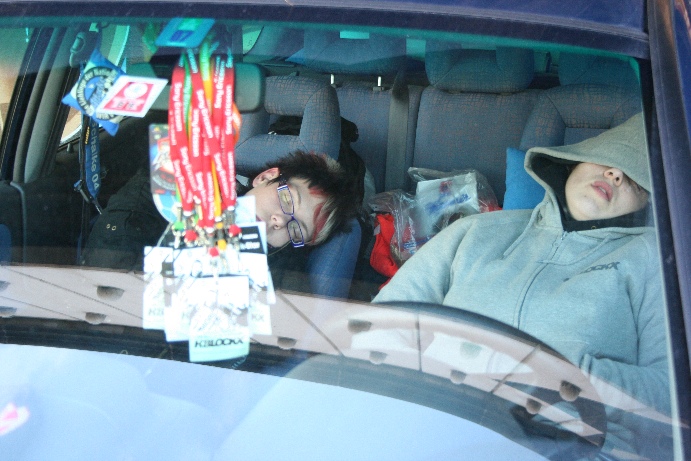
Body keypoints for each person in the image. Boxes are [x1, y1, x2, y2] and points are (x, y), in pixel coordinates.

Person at [373, 113, 670, 455]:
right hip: (436, 424)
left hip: (572, 447)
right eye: (606, 159)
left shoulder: (655, 262)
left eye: (636, 178)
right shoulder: (477, 231)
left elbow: (671, 396)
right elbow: (382, 324)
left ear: (650, 203)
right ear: (572, 163)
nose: (616, 174)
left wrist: (575, 375)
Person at [82, 150, 358, 288]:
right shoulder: (172, 191)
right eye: (287, 200)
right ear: (265, 177)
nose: (279, 221)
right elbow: (109, 277)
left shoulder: (278, 277)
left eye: (296, 229)